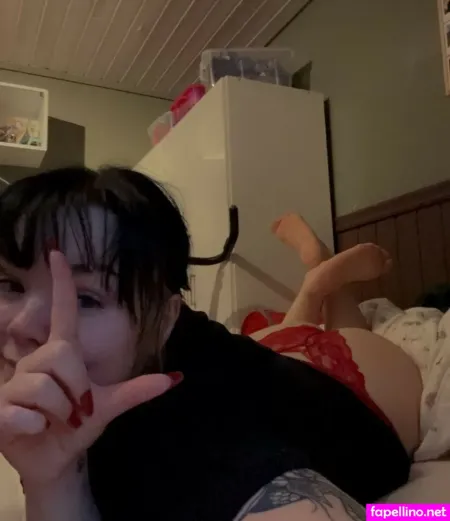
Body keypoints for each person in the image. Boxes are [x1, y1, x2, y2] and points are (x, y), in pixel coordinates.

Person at [0, 167, 421, 521]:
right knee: (278, 340)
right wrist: (49, 480)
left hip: (361, 387)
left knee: (349, 332)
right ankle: (315, 282)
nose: (21, 326)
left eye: (85, 299)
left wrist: (426, 512)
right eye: (10, 284)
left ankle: (322, 278)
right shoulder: (158, 336)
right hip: (266, 359)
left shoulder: (200, 449)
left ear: (165, 319)